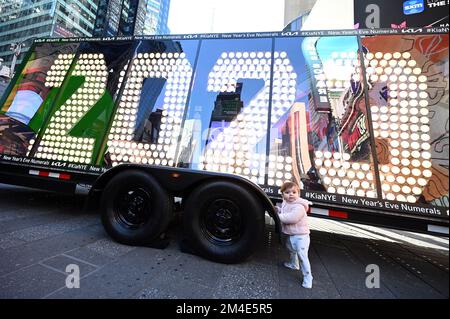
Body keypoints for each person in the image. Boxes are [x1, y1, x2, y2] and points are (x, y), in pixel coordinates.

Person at [275, 181, 313, 289]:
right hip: (292, 234)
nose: (291, 194)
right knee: (291, 249)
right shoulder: (286, 203)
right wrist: (278, 210)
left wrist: (278, 216)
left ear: (298, 194)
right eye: (287, 192)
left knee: (302, 256)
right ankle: (293, 264)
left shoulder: (299, 207)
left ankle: (308, 277)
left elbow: (292, 218)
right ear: (282, 195)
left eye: (294, 192)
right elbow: (284, 211)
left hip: (302, 236)